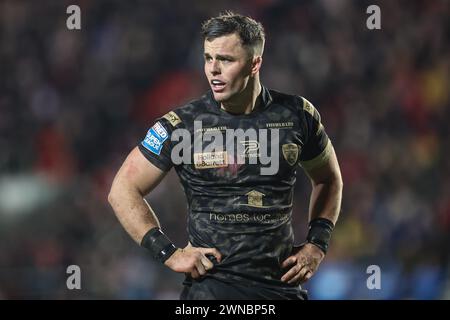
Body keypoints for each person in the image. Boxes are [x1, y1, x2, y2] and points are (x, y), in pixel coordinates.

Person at [108, 11, 343, 300]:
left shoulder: (296, 115)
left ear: (255, 63)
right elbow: (122, 189)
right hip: (210, 292)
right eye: (208, 58)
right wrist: (168, 252)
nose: (213, 70)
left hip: (280, 290)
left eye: (226, 60)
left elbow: (329, 179)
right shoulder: (182, 125)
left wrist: (317, 244)